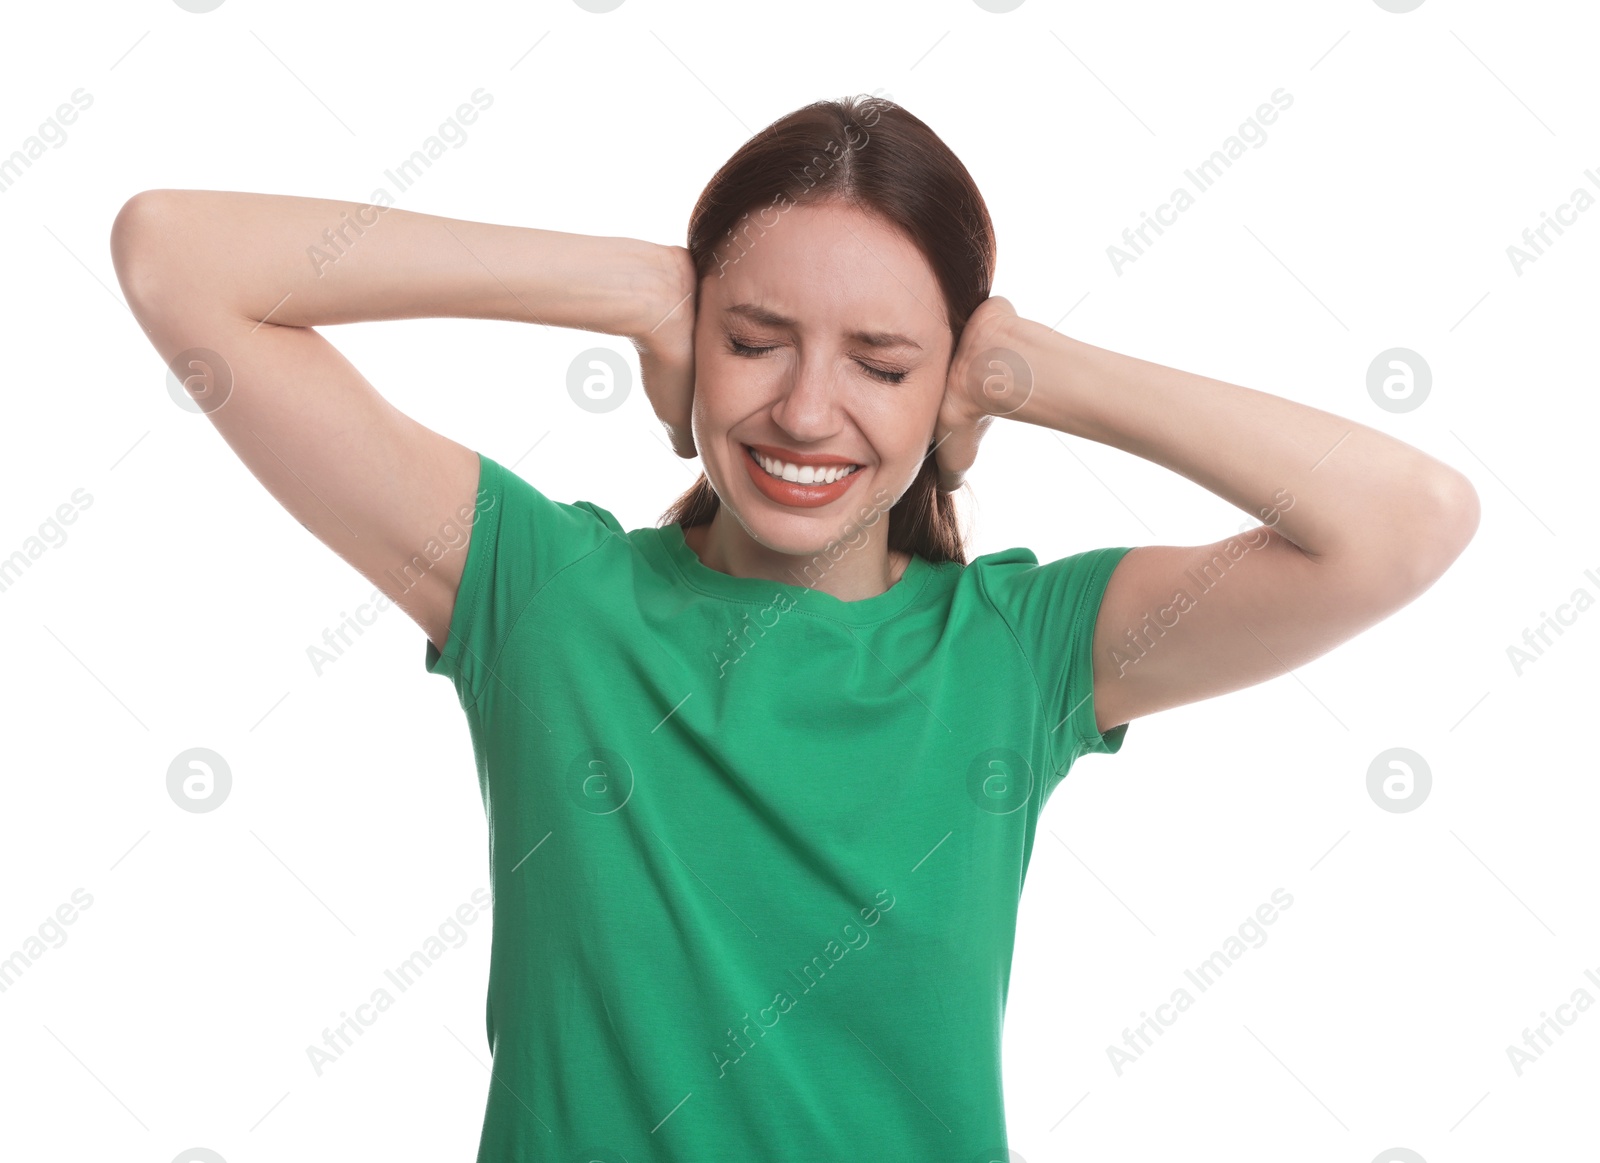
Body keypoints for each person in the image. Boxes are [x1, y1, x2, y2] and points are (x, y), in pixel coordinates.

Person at [110, 94, 1478, 1162]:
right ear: (695, 339)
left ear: (948, 380)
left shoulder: (1022, 653)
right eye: (755, 339)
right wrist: (622, 286)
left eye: (882, 363)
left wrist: (1030, 370)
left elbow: (1405, 521)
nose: (809, 413)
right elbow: (176, 256)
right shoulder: (542, 596)